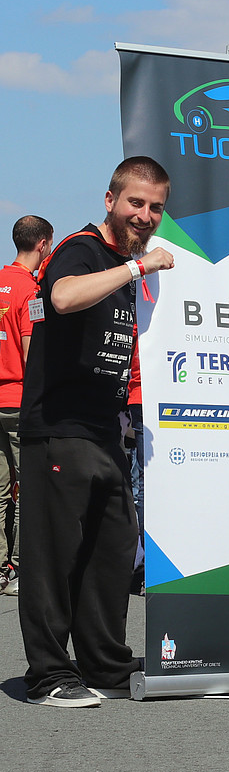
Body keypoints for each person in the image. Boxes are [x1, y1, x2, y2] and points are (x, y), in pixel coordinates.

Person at [19, 156, 175, 708]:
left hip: (107, 429)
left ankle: (104, 662)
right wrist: (139, 268)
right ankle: (47, 674)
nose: (145, 215)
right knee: (54, 555)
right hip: (59, 426)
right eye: (136, 202)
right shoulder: (81, 248)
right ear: (110, 200)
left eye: (156, 207)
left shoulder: (122, 263)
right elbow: (61, 298)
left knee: (112, 547)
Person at [0, 215, 52, 598]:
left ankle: (0, 567)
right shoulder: (31, 292)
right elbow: (33, 354)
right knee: (30, 486)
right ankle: (22, 567)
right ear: (43, 244)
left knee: (0, 488)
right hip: (19, 401)